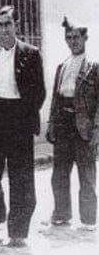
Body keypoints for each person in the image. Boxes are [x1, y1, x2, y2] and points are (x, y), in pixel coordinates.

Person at [0, 6, 46, 247]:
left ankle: (18, 230)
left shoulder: (31, 53)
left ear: (16, 25)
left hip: (20, 118)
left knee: (21, 177)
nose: (3, 29)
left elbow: (39, 92)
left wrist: (24, 115)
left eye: (7, 24)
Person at [46, 17, 98, 231]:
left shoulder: (94, 66)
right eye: (68, 37)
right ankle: (61, 214)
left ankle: (87, 220)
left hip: (83, 125)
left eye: (76, 37)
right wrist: (50, 123)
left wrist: (96, 128)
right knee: (59, 172)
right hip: (63, 123)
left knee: (86, 174)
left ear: (85, 38)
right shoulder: (62, 66)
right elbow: (55, 98)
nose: (72, 41)